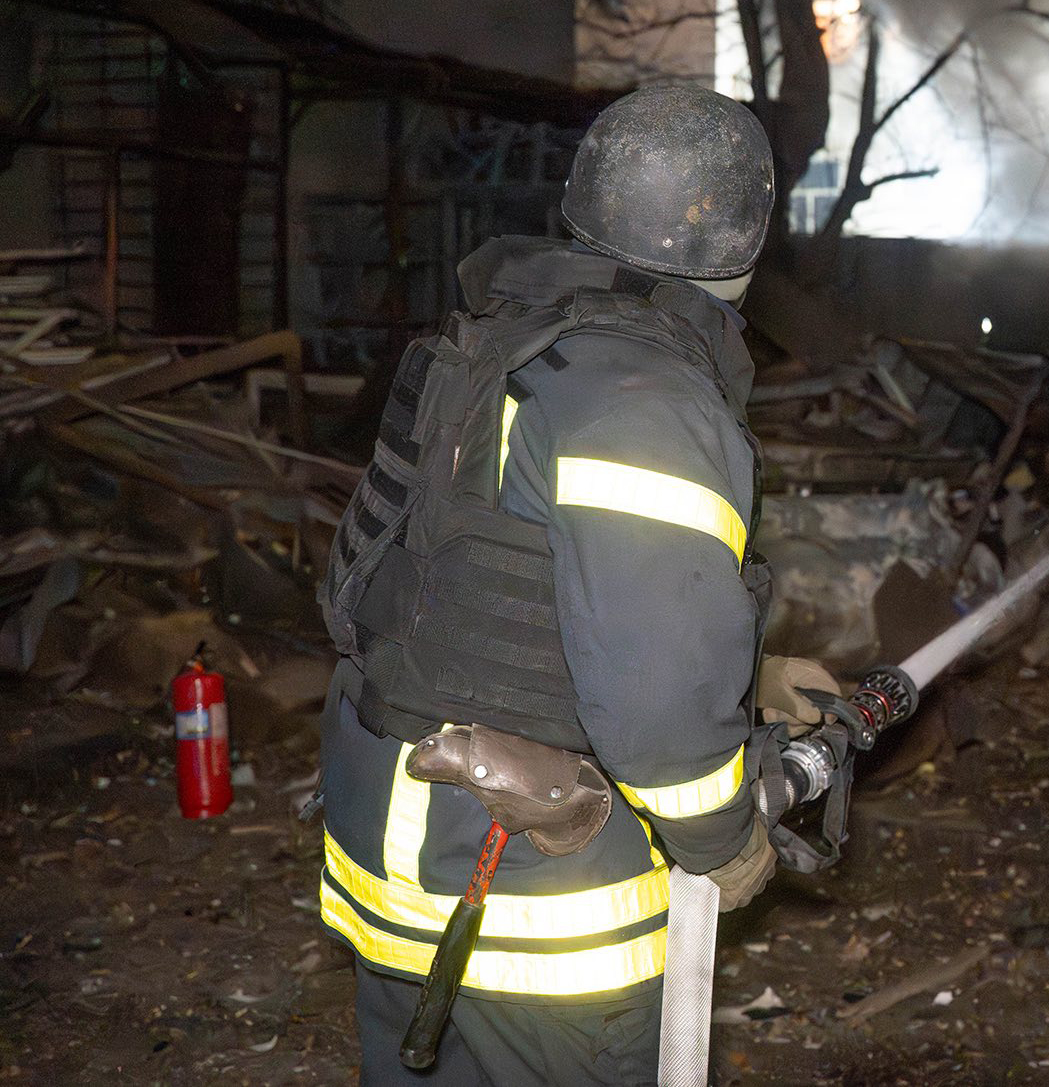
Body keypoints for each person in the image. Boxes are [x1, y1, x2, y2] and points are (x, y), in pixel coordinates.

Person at [313, 84, 830, 1085]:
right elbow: (652, 704)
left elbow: (483, 580)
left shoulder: (505, 341)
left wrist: (750, 675)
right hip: (533, 895)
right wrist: (725, 840)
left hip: (400, 840)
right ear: (746, 237)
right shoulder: (648, 400)